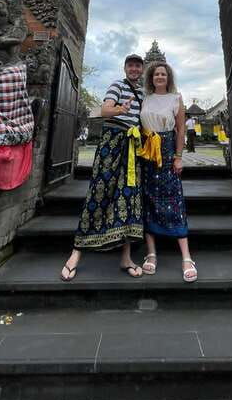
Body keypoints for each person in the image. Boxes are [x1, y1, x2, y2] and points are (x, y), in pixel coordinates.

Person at [61, 54, 145, 281]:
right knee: (99, 193)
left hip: (132, 145)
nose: (135, 69)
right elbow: (104, 110)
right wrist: (121, 110)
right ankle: (76, 253)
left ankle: (126, 257)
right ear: (125, 68)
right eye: (131, 66)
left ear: (142, 69)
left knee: (129, 197)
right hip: (112, 142)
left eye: (138, 66)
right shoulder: (117, 85)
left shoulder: (144, 93)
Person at [139, 62, 197, 282]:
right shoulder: (144, 98)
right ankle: (151, 253)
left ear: (168, 77)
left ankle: (186, 256)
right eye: (156, 74)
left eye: (163, 74)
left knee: (173, 197)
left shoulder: (176, 98)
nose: (160, 76)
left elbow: (181, 128)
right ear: (151, 78)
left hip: (167, 148)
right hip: (146, 152)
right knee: (148, 198)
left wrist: (178, 156)